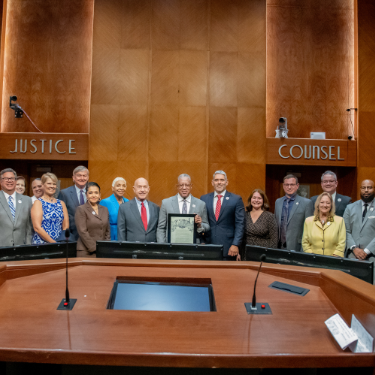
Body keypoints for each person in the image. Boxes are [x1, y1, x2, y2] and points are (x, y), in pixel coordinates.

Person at [200, 170, 245, 261]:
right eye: (216, 180)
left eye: (222, 180)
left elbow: (240, 224)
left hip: (229, 248)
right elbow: (201, 222)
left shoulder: (236, 199)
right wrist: (202, 241)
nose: (219, 182)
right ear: (212, 183)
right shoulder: (204, 198)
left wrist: (235, 244)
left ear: (226, 182)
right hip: (208, 247)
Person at [157, 174, 209, 243]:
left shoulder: (200, 204)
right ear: (177, 186)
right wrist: (162, 248)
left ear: (191, 186)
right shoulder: (166, 203)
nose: (184, 188)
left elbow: (207, 226)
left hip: (193, 247)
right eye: (181, 185)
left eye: (187, 185)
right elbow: (161, 228)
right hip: (171, 246)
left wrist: (200, 225)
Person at [344, 179, 375, 283]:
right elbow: (345, 231)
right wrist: (354, 248)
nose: (366, 190)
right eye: (363, 188)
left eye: (369, 187)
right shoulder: (350, 207)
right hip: (353, 256)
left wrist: (366, 251)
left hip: (372, 257)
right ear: (360, 189)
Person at [275, 174, 314, 251]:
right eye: (287, 184)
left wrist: (304, 250)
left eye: (292, 184)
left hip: (297, 247)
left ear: (297, 186)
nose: (289, 187)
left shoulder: (307, 203)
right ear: (283, 186)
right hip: (279, 247)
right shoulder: (278, 202)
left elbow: (309, 230)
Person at [302, 192, 345, 257]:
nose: (325, 205)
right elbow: (305, 242)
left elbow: (341, 243)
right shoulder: (308, 221)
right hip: (312, 260)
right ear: (318, 204)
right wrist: (311, 256)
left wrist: (335, 257)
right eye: (322, 202)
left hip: (333, 261)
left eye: (328, 203)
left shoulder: (339, 221)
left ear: (331, 205)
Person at [31, 173, 69, 244]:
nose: (52, 186)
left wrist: (61, 241)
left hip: (60, 242)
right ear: (42, 185)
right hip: (42, 244)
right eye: (49, 183)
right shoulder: (38, 203)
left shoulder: (61, 203)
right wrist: (53, 243)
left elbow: (65, 226)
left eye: (54, 184)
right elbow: (37, 227)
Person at [117, 178, 160, 242]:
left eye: (145, 187)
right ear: (134, 189)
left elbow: (158, 230)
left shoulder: (155, 208)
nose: (142, 190)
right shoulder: (124, 208)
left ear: (148, 189)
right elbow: (121, 232)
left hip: (151, 249)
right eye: (139, 187)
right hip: (132, 249)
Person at [75, 182, 110, 257]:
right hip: (86, 251)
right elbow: (82, 231)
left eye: (96, 193)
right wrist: (95, 248)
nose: (94, 195)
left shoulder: (105, 209)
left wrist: (105, 247)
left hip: (102, 251)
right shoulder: (81, 209)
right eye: (90, 193)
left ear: (99, 195)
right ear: (86, 195)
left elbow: (107, 231)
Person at [241, 189, 278, 260]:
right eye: (254, 198)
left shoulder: (269, 216)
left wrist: (270, 256)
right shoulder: (244, 215)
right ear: (250, 199)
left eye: (259, 198)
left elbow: (274, 240)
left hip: (263, 255)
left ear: (263, 200)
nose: (256, 200)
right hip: (245, 254)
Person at [0, 168, 33, 246]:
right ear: (1, 181)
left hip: (21, 248)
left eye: (12, 178)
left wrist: (28, 245)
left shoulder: (27, 200)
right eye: (6, 178)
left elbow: (29, 227)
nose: (9, 180)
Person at [58, 166, 89, 240]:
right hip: (72, 235)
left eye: (84, 175)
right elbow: (61, 215)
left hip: (90, 234)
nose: (82, 178)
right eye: (79, 175)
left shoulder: (93, 193)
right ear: (73, 178)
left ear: (87, 178)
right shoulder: (64, 193)